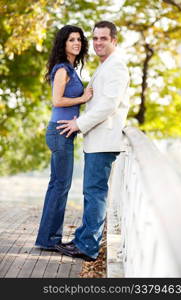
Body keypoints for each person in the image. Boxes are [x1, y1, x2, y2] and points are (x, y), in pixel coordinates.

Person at [55, 20, 130, 261]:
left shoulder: (116, 67)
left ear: (114, 41)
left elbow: (108, 105)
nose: (97, 43)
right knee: (91, 192)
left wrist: (79, 123)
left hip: (104, 139)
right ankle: (83, 238)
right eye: (95, 38)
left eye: (103, 39)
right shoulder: (104, 66)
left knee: (95, 193)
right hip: (96, 139)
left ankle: (88, 247)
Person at [35, 25, 93, 250]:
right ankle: (50, 240)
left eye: (79, 39)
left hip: (62, 133)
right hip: (59, 133)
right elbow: (57, 101)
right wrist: (84, 98)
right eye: (71, 40)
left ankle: (47, 238)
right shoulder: (62, 69)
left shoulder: (70, 68)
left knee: (57, 186)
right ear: (63, 44)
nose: (76, 43)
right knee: (60, 186)